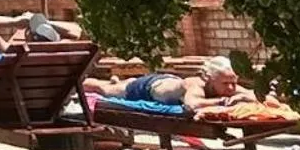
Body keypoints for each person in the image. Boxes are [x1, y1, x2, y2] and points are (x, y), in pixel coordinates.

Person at [85, 55, 255, 112]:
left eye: (233, 83)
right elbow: (191, 105)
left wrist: (244, 97)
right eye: (226, 83)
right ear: (209, 79)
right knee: (105, 89)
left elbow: (255, 95)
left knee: (117, 85)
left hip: (168, 82)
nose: (231, 88)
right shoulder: (195, 85)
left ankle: (118, 81)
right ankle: (80, 81)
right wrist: (224, 101)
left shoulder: (227, 85)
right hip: (146, 88)